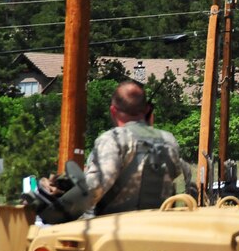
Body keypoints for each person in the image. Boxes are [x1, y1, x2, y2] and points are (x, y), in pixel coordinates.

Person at [81, 80, 190, 217]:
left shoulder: (114, 139)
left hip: (114, 231)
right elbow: (179, 181)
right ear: (146, 110)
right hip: (160, 228)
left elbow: (94, 188)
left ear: (113, 111)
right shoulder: (169, 141)